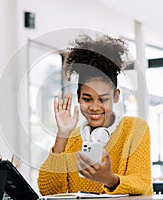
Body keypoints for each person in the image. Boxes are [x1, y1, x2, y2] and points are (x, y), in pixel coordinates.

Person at [37, 34, 153, 195]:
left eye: (103, 99)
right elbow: (49, 191)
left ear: (116, 96)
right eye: (87, 99)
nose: (95, 107)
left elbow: (142, 183)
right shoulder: (72, 139)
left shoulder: (135, 129)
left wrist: (109, 179)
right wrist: (62, 134)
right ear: (78, 97)